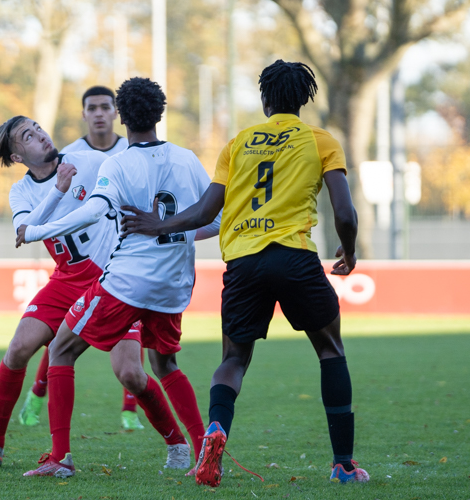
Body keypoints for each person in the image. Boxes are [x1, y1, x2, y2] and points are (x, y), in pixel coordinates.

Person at [120, 60, 369, 486]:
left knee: (233, 360)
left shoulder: (238, 143)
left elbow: (204, 211)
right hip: (295, 257)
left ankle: (215, 432)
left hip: (243, 263)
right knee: (330, 350)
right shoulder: (320, 140)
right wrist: (348, 249)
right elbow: (344, 212)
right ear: (304, 99)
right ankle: (344, 465)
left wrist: (156, 224)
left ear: (265, 99)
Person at [18, 78, 218, 478]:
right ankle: (200, 451)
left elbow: (92, 211)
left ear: (121, 116)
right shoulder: (187, 159)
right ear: (160, 113)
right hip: (175, 284)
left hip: (127, 281)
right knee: (165, 364)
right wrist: (172, 230)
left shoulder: (120, 162)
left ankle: (60, 459)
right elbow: (214, 221)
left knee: (61, 349)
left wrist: (35, 230)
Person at [0, 116, 129, 470]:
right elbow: (26, 231)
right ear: (17, 157)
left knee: (131, 372)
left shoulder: (85, 162)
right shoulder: (21, 191)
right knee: (17, 350)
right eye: (28, 136)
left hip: (107, 279)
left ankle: (179, 444)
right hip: (65, 279)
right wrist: (58, 189)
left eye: (38, 127)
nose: (40, 135)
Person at [20, 85, 141, 431]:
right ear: (84, 114)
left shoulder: (130, 148)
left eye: (106, 107)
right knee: (61, 336)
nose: (100, 113)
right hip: (80, 268)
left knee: (132, 338)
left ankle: (129, 411)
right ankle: (38, 392)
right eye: (93, 108)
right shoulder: (69, 156)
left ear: (116, 112)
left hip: (123, 261)